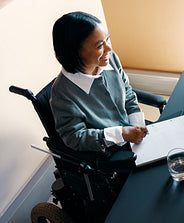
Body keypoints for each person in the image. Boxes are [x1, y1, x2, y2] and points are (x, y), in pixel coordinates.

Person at [50, 11, 148, 151]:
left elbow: (127, 92)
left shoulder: (110, 59)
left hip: (134, 135)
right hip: (107, 151)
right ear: (75, 52)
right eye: (100, 45)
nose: (109, 48)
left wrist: (137, 126)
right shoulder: (62, 93)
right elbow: (74, 137)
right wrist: (120, 134)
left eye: (107, 39)